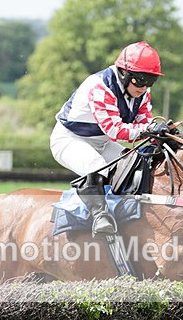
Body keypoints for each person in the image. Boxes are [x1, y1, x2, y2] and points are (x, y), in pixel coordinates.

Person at [50, 40, 171, 236]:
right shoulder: (100, 86)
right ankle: (100, 216)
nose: (144, 87)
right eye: (140, 80)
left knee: (135, 163)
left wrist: (163, 135)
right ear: (124, 73)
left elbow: (144, 123)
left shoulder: (142, 92)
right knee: (96, 166)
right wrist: (149, 129)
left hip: (102, 142)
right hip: (70, 139)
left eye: (150, 81)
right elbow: (115, 131)